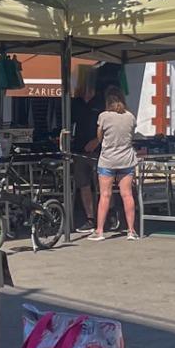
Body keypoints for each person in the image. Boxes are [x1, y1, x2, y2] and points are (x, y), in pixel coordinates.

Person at [88, 87, 140, 242]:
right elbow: (131, 135)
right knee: (127, 194)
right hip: (127, 159)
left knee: (105, 195)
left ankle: (99, 231)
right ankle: (131, 230)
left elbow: (99, 136)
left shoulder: (103, 116)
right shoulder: (130, 117)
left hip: (108, 160)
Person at [69, 85, 98, 229]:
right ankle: (90, 218)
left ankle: (110, 215)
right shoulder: (76, 103)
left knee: (102, 185)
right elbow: (70, 122)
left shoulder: (100, 102)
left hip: (98, 151)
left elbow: (106, 127)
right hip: (79, 150)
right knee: (83, 185)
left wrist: (97, 140)